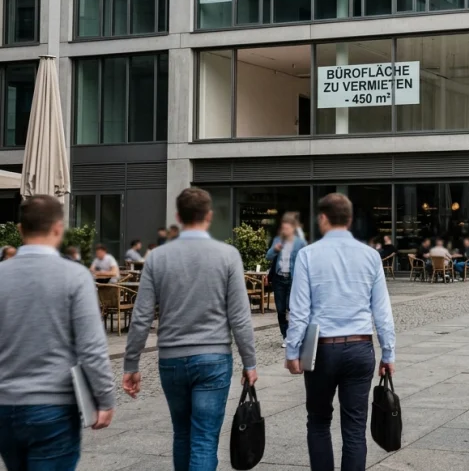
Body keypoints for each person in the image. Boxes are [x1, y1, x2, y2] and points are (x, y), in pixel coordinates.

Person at [122, 188, 257, 471]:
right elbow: (240, 316)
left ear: (177, 217)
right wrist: (250, 362)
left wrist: (131, 363)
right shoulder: (228, 255)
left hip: (171, 359)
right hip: (213, 357)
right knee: (205, 439)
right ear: (208, 216)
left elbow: (142, 314)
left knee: (182, 433)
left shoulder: (158, 258)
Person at [0, 195, 116, 469]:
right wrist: (105, 398)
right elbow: (92, 348)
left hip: (4, 406)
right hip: (53, 405)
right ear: (58, 228)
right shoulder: (75, 276)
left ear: (19, 229)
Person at [285, 193, 396, 471]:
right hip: (360, 348)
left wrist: (292, 350)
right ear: (349, 220)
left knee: (319, 421)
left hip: (321, 349)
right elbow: (382, 312)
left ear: (322, 218)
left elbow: (299, 310)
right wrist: (388, 353)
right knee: (355, 427)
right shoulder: (371, 256)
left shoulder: (308, 255)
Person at [266, 213, 307, 348]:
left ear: (293, 229)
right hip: (279, 279)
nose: (285, 231)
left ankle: (296, 335)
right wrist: (275, 249)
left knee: (292, 307)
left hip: (293, 279)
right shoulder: (278, 240)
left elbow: (306, 259)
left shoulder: (299, 243)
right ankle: (286, 336)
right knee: (281, 309)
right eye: (283, 228)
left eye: (287, 228)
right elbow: (268, 256)